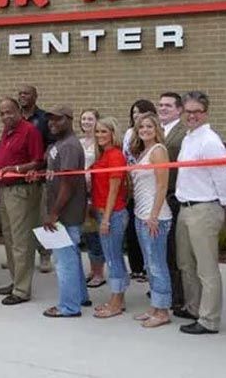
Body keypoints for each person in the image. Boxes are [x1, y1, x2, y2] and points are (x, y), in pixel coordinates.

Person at [174, 91, 226, 335]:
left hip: (204, 208)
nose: (192, 116)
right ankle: (193, 307)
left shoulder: (210, 141)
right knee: (185, 263)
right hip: (185, 207)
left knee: (206, 268)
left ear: (205, 113)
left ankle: (209, 319)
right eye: (188, 111)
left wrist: (222, 204)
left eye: (196, 111)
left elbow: (223, 176)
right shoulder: (189, 138)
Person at [39, 105, 91, 317]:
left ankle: (69, 307)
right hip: (62, 210)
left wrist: (54, 213)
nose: (52, 123)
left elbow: (68, 183)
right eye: (50, 120)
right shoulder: (59, 144)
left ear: (69, 120)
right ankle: (79, 296)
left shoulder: (69, 145)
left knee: (64, 260)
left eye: (58, 120)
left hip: (66, 213)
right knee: (71, 256)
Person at [0, 98, 44, 305]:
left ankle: (22, 290)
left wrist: (16, 170)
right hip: (5, 189)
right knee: (9, 238)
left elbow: (39, 161)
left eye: (9, 112)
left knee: (21, 241)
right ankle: (15, 281)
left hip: (21, 190)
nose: (6, 116)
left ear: (18, 111)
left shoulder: (29, 131)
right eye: (2, 113)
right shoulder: (7, 131)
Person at [129, 113, 173, 328]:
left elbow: (162, 186)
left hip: (155, 217)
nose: (145, 130)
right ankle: (155, 307)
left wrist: (154, 215)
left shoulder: (158, 151)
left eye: (149, 126)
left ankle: (163, 310)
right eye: (141, 127)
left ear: (156, 128)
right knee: (149, 265)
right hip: (141, 215)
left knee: (157, 265)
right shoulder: (144, 152)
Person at [91, 117, 129, 318]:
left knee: (113, 258)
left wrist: (105, 219)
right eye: (97, 132)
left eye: (104, 132)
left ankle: (115, 302)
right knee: (114, 257)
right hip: (103, 211)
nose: (100, 135)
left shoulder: (115, 156)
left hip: (112, 214)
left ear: (113, 133)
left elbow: (114, 191)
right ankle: (118, 298)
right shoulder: (103, 154)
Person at [18, 84, 54, 273]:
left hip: (38, 176)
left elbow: (51, 144)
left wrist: (41, 164)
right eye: (20, 93)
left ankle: (45, 255)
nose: (23, 96)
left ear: (35, 97)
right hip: (18, 177)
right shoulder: (15, 119)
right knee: (22, 220)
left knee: (41, 217)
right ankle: (21, 256)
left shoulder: (43, 119)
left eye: (27, 94)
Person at [156, 91, 187, 310]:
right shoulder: (156, 130)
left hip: (173, 193)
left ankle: (179, 295)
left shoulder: (183, 133)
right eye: (160, 105)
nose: (163, 108)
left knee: (173, 249)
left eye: (168, 105)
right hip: (156, 194)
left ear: (179, 110)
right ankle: (163, 288)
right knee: (160, 247)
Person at [123, 100, 156, 283]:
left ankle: (147, 270)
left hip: (147, 189)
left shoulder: (153, 144)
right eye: (134, 113)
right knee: (133, 230)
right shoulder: (130, 133)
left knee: (148, 236)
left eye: (140, 112)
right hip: (132, 185)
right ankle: (136, 267)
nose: (136, 116)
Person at [78, 108, 106, 288]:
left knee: (96, 233)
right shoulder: (78, 142)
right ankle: (92, 269)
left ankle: (99, 273)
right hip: (80, 192)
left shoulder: (100, 143)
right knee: (88, 232)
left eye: (90, 119)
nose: (86, 122)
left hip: (96, 192)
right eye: (84, 119)